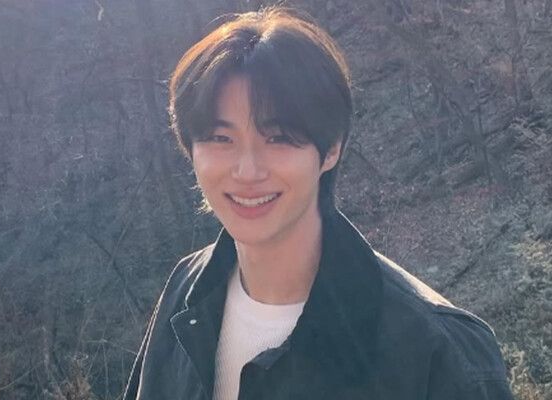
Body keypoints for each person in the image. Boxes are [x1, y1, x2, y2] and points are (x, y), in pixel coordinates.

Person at [123, 7, 513, 400]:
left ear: (331, 150)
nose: (247, 170)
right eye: (221, 139)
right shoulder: (186, 296)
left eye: (278, 138)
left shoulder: (437, 351)